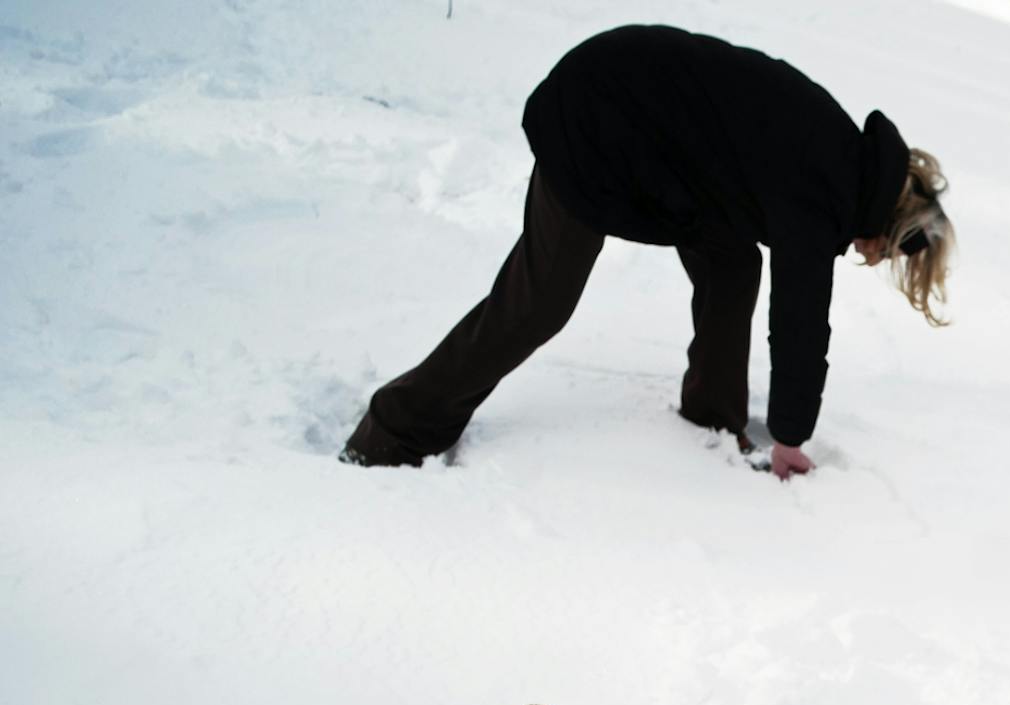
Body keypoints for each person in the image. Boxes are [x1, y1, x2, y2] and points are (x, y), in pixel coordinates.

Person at [337, 26, 954, 483]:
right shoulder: (825, 192)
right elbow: (799, 325)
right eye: (881, 254)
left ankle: (712, 419)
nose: (865, 256)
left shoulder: (844, 157)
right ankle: (395, 429)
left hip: (652, 134)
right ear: (888, 225)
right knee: (540, 300)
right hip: (598, 122)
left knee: (733, 263)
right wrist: (791, 438)